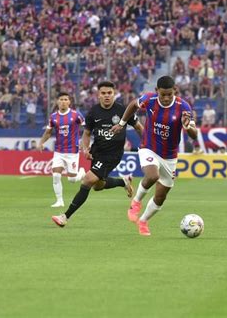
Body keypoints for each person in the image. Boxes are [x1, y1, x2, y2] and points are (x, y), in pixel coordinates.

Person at [111, 75, 198, 236]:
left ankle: (143, 221)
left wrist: (187, 127)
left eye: (169, 95)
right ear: (156, 91)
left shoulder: (183, 107)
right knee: (152, 175)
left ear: (175, 92)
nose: (165, 98)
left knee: (161, 196)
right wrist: (121, 124)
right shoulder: (149, 100)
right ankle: (136, 202)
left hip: (170, 157)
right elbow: (132, 105)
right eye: (162, 94)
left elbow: (194, 135)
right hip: (148, 147)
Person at [51, 81, 144, 227]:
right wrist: (86, 149)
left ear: (114, 94)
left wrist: (148, 144)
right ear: (98, 95)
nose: (106, 96)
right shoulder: (93, 112)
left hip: (113, 154)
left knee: (87, 180)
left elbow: (138, 127)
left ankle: (65, 216)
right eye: (103, 93)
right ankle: (123, 181)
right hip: (97, 152)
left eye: (109, 93)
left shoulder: (123, 110)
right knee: (98, 186)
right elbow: (87, 133)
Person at [38, 92, 86, 207]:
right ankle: (59, 201)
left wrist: (84, 142)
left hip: (72, 152)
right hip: (59, 151)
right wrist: (41, 142)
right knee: (56, 175)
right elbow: (48, 132)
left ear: (69, 102)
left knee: (72, 180)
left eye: (66, 99)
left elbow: (86, 128)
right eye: (61, 99)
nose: (63, 101)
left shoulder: (76, 115)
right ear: (57, 101)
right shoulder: (53, 117)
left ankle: (82, 172)